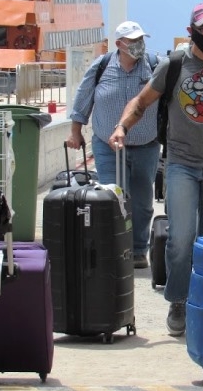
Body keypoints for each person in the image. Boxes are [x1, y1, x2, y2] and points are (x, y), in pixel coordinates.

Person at [109, 2, 203, 336]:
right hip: (181, 164)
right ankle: (178, 300)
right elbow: (142, 102)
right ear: (191, 31)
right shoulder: (173, 65)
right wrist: (122, 127)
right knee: (180, 239)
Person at [68, 20, 160, 269]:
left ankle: (139, 249)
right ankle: (117, 247)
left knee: (141, 201)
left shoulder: (154, 66)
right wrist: (76, 131)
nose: (139, 45)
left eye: (141, 39)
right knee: (114, 196)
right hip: (107, 145)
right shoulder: (102, 66)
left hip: (145, 145)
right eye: (133, 41)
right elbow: (83, 96)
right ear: (119, 44)